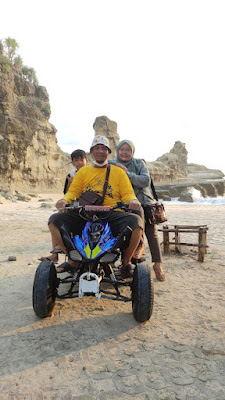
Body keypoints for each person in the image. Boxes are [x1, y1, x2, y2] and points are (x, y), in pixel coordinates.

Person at [43, 135, 143, 275]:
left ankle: (126, 261)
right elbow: (73, 192)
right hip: (86, 213)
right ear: (92, 152)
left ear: (108, 152)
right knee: (54, 220)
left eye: (103, 148)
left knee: (137, 223)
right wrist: (64, 201)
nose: (100, 151)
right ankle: (72, 259)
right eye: (97, 148)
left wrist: (133, 200)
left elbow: (127, 193)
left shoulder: (119, 172)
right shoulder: (83, 171)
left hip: (112, 213)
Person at [110, 139, 166, 281]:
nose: (124, 152)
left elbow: (145, 181)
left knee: (151, 234)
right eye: (122, 149)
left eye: (128, 150)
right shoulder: (113, 163)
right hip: (123, 203)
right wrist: (114, 165)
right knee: (124, 234)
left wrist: (126, 173)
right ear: (118, 151)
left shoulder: (139, 163)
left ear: (132, 152)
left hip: (143, 202)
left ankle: (158, 265)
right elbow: (101, 164)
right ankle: (124, 264)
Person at [39, 149, 88, 263]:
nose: (79, 162)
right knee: (56, 220)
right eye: (76, 160)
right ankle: (55, 253)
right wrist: (71, 182)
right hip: (73, 206)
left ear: (87, 161)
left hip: (86, 206)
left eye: (82, 160)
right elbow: (67, 194)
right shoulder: (70, 175)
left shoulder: (90, 173)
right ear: (72, 163)